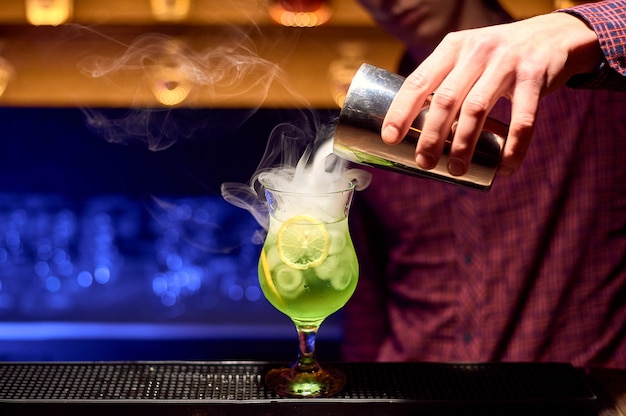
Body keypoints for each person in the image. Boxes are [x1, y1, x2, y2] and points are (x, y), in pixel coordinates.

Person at [341, 0, 626, 368]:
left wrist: (576, 30)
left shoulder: (587, 88)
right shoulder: (377, 126)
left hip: (568, 391)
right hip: (416, 389)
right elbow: (368, 306)